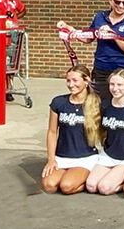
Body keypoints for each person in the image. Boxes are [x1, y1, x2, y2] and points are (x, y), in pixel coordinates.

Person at [58, 0, 124, 101]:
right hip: (101, 69)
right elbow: (89, 38)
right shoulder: (100, 17)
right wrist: (70, 29)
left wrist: (113, 35)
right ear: (110, 1)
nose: (121, 6)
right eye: (117, 2)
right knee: (98, 104)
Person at [41, 66, 101, 194]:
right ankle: (74, 177)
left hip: (85, 157)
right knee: (49, 186)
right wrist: (51, 159)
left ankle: (87, 179)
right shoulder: (59, 102)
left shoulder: (96, 103)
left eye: (75, 80)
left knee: (66, 186)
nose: (71, 84)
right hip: (62, 156)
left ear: (86, 81)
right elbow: (52, 132)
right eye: (68, 81)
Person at [86, 68, 124, 195]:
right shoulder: (105, 105)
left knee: (104, 188)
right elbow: (102, 130)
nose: (115, 88)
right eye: (112, 84)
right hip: (109, 154)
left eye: (120, 84)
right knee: (91, 186)